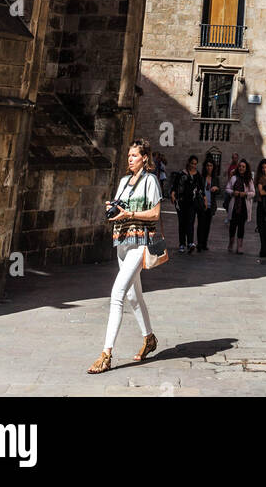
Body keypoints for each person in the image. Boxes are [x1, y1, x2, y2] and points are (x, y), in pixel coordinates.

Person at [88, 137, 161, 374]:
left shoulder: (150, 180)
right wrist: (113, 209)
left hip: (140, 242)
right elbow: (118, 207)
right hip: (122, 242)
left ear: (144, 158)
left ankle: (106, 354)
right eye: (128, 155)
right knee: (132, 295)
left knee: (117, 293)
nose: (130, 159)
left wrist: (130, 213)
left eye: (134, 155)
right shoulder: (123, 181)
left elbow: (156, 213)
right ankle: (149, 338)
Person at [225, 159, 254, 254]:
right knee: (233, 225)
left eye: (243, 167)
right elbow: (227, 189)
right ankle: (231, 243)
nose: (241, 168)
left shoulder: (249, 179)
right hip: (234, 205)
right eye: (240, 166)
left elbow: (253, 193)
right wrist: (233, 192)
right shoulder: (233, 178)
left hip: (244, 206)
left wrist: (245, 194)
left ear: (246, 168)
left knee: (241, 226)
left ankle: (239, 246)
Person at [175, 154, 202, 253]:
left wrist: (204, 199)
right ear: (188, 163)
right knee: (182, 223)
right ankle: (182, 243)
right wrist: (173, 195)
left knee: (190, 222)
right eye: (192, 163)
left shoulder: (197, 175)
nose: (193, 165)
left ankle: (190, 242)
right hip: (181, 202)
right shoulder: (181, 173)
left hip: (192, 202)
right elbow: (175, 186)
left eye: (195, 164)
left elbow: (201, 188)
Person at [196, 155, 220, 251]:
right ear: (205, 167)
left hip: (211, 205)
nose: (209, 167)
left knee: (207, 225)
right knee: (201, 224)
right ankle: (199, 244)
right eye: (207, 165)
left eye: (210, 165)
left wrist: (216, 188)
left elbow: (219, 191)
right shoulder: (201, 177)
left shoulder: (215, 178)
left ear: (213, 167)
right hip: (202, 204)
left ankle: (204, 243)